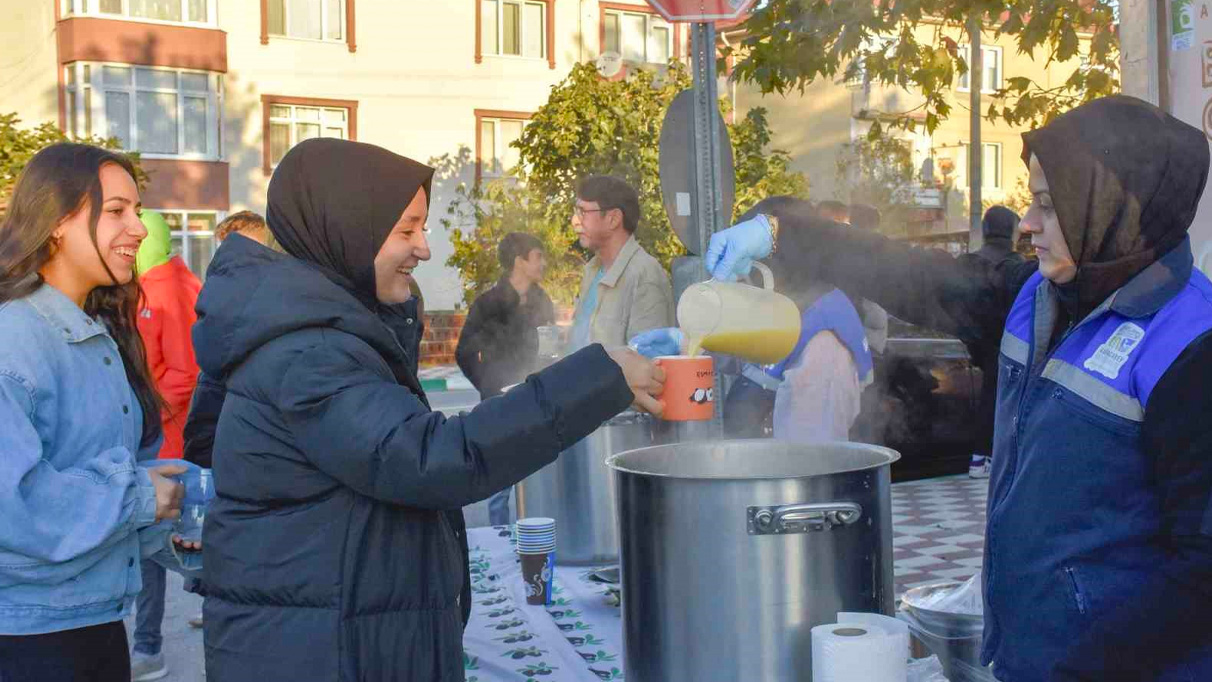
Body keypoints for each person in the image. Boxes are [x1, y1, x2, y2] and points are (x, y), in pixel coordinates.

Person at [698, 96, 1212, 681]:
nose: (1027, 223)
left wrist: (1088, 663)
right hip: (1030, 657)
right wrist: (781, 233)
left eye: (1049, 205)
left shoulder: (1191, 344)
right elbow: (912, 274)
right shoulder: (1035, 296)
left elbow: (1202, 568)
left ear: (1113, 209)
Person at [192, 139, 664, 681]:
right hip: (320, 651)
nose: (423, 249)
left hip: (340, 632)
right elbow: (431, 458)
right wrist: (598, 378)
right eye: (406, 230)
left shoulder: (321, 327)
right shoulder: (308, 350)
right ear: (347, 230)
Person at [0, 143, 185, 681]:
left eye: (137, 210)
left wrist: (168, 514)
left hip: (93, 623)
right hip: (29, 639)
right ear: (57, 221)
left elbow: (89, 468)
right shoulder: (14, 339)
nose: (140, 228)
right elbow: (13, 503)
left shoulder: (96, 331)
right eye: (116, 210)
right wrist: (139, 496)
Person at [130, 209, 203, 680]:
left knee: (157, 543)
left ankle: (148, 646)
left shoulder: (165, 288)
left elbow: (183, 372)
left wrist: (143, 411)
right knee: (173, 538)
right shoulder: (170, 282)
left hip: (163, 439)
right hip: (166, 435)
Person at [456, 232, 556, 526]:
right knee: (500, 483)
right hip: (499, 403)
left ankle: (537, 535)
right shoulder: (487, 304)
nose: (544, 263)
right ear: (519, 261)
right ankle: (500, 534)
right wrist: (488, 385)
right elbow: (463, 352)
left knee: (539, 477)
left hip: (537, 401)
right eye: (538, 257)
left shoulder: (542, 301)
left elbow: (549, 348)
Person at [568, 175, 673, 350]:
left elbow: (646, 361)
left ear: (614, 219)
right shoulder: (592, 270)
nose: (575, 221)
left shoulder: (644, 275)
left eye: (583, 212)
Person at [960, 206, 1024, 479]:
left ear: (985, 230)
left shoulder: (965, 263)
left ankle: (980, 459)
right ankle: (990, 460)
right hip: (1004, 351)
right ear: (1012, 232)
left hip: (967, 344)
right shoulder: (1017, 269)